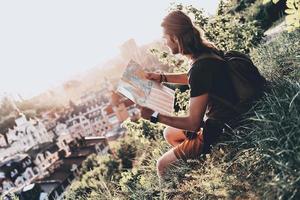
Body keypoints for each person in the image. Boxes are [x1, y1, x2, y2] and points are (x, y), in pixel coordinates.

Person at [139, 10, 239, 179]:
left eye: (165, 38)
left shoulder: (200, 68)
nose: (164, 43)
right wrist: (162, 77)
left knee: (162, 165)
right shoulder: (206, 53)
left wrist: (154, 116)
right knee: (169, 133)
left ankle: (203, 155)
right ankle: (198, 163)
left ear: (176, 38)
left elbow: (193, 123)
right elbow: (195, 78)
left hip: (223, 126)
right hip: (229, 113)